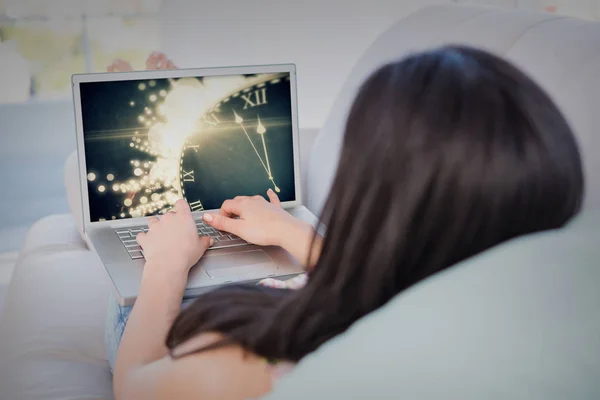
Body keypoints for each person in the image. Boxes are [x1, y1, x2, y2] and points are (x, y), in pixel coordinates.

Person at [106, 45, 584, 399]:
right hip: (318, 298)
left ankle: (148, 128)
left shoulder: (238, 365)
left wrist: (166, 267)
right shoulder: (544, 330)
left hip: (182, 327)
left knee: (159, 237)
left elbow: (133, 386)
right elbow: (405, 283)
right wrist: (291, 231)